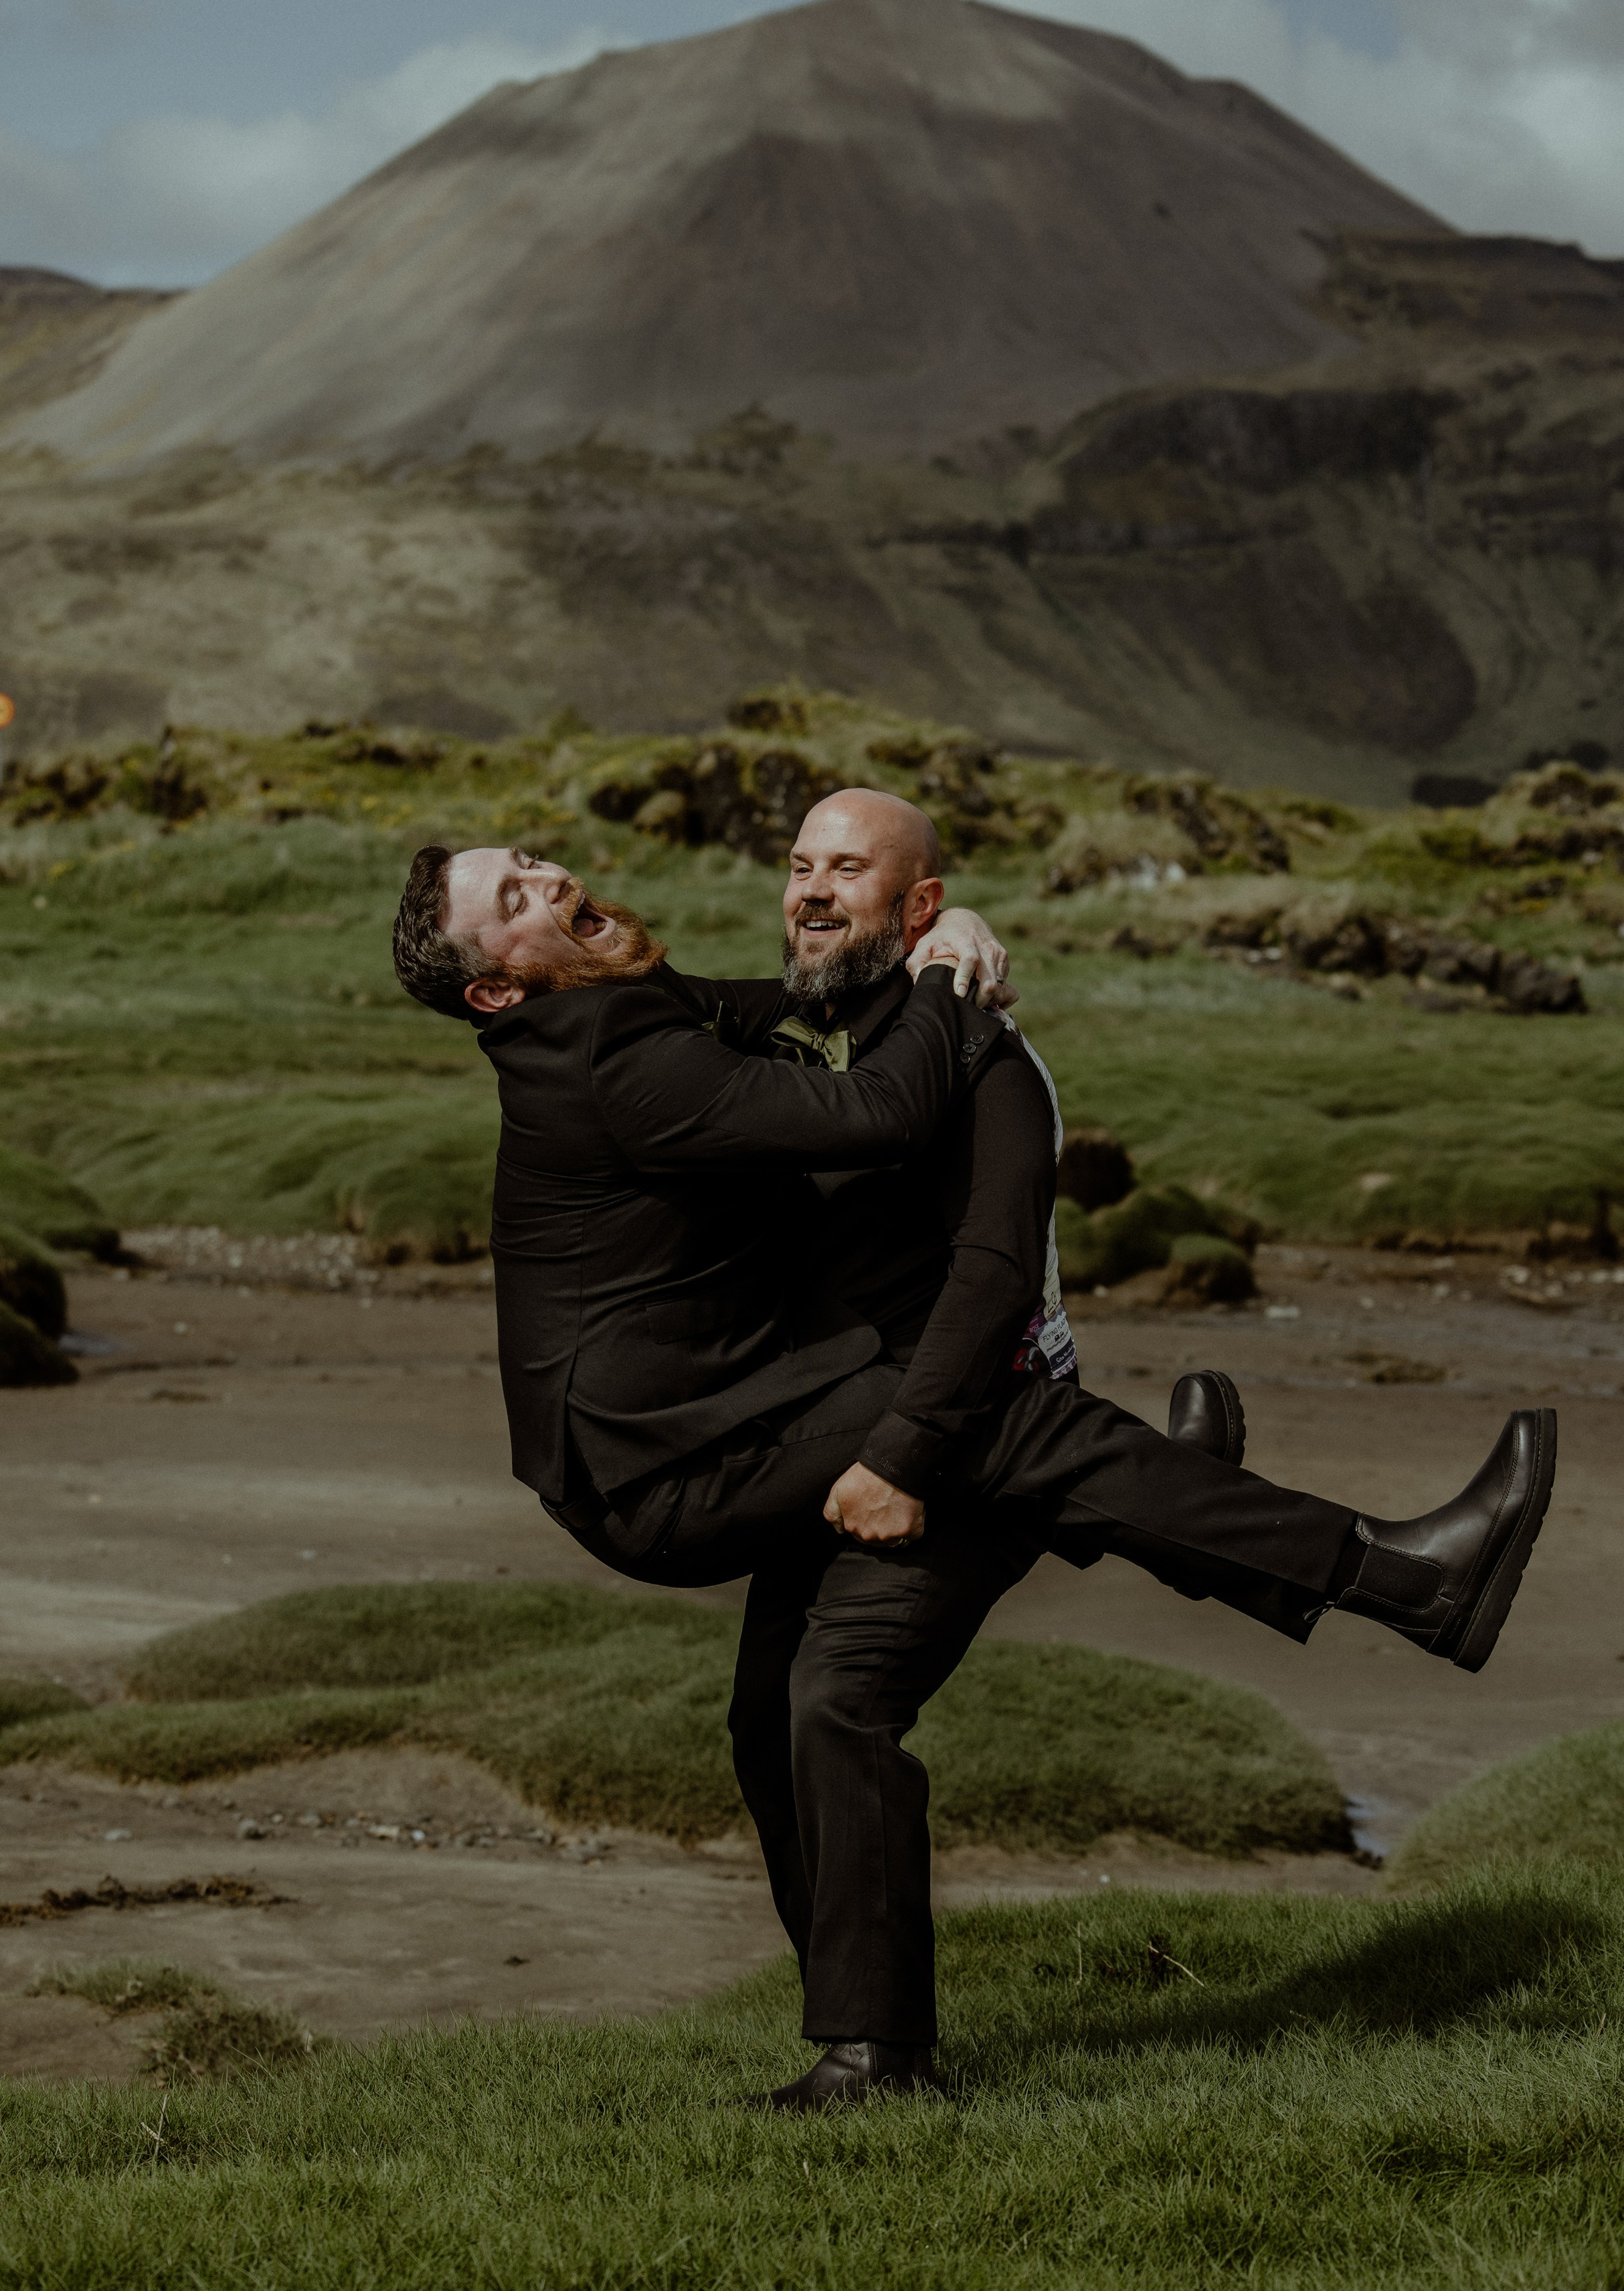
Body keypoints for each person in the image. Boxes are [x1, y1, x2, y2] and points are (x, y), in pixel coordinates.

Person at [391, 806, 1556, 2108]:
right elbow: (876, 1114)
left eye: (531, 861)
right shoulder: (611, 1053)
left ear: (914, 897)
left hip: (751, 1415)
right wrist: (940, 972)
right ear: (497, 982)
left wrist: (933, 961)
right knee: (1003, 1442)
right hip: (667, 1460)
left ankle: (871, 2053)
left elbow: (788, 1032)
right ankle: (1384, 1569)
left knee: (795, 1706)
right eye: (512, 894)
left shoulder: (644, 1009)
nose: (547, 874)